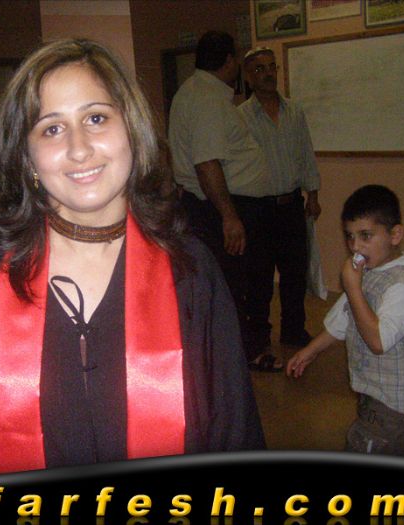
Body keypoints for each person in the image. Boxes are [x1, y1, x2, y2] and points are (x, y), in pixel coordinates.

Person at [0, 38, 265, 478]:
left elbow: (233, 434)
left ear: (132, 131)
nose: (79, 148)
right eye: (51, 128)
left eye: (96, 118)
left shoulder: (191, 273)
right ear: (27, 157)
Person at [286, 185, 404, 457]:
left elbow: (378, 341)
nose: (355, 246)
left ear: (395, 235)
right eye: (350, 236)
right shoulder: (369, 271)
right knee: (399, 449)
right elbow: (344, 319)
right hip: (373, 390)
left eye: (366, 236)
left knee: (365, 445)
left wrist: (353, 287)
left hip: (396, 399)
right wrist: (311, 351)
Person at [167, 31, 280, 371]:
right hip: (223, 207)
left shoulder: (198, 91)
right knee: (239, 285)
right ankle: (248, 352)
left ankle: (240, 349)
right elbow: (207, 164)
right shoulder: (207, 98)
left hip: (217, 205)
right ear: (230, 61)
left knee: (235, 283)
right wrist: (230, 217)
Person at [238, 46, 321, 353]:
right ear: (248, 77)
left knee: (294, 274)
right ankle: (259, 335)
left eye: (272, 67)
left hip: (291, 206)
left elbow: (306, 153)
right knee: (258, 278)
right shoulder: (240, 117)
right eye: (259, 69)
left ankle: (293, 330)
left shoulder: (294, 111)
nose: (268, 73)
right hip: (258, 210)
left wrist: (313, 194)